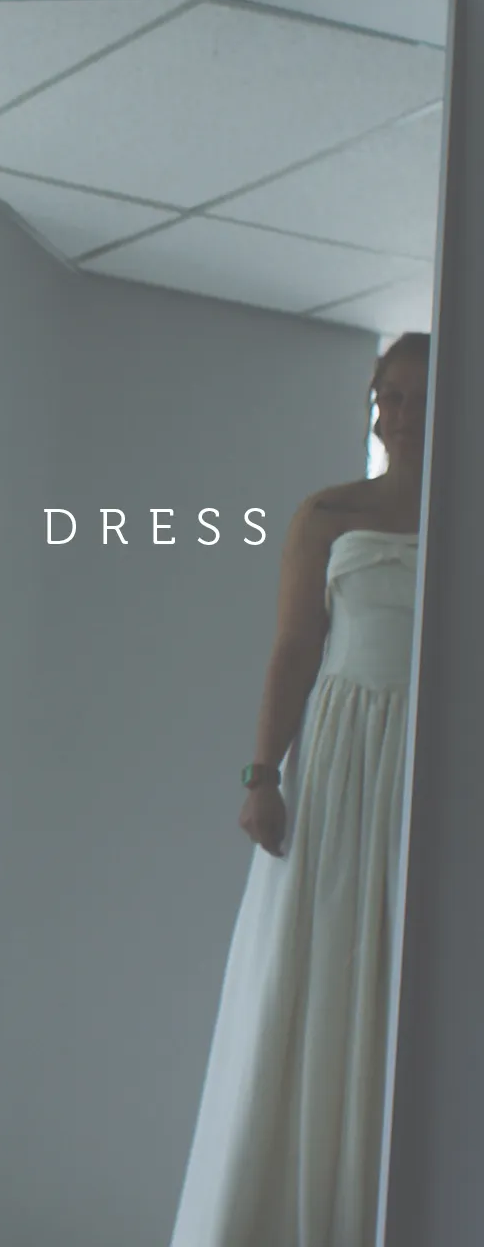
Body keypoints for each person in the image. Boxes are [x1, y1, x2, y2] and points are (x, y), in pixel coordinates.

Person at [169, 333, 429, 1247]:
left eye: (416, 397)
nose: (395, 415)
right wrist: (262, 773)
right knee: (326, 949)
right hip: (346, 749)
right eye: (385, 395)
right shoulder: (327, 511)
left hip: (433, 760)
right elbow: (293, 646)